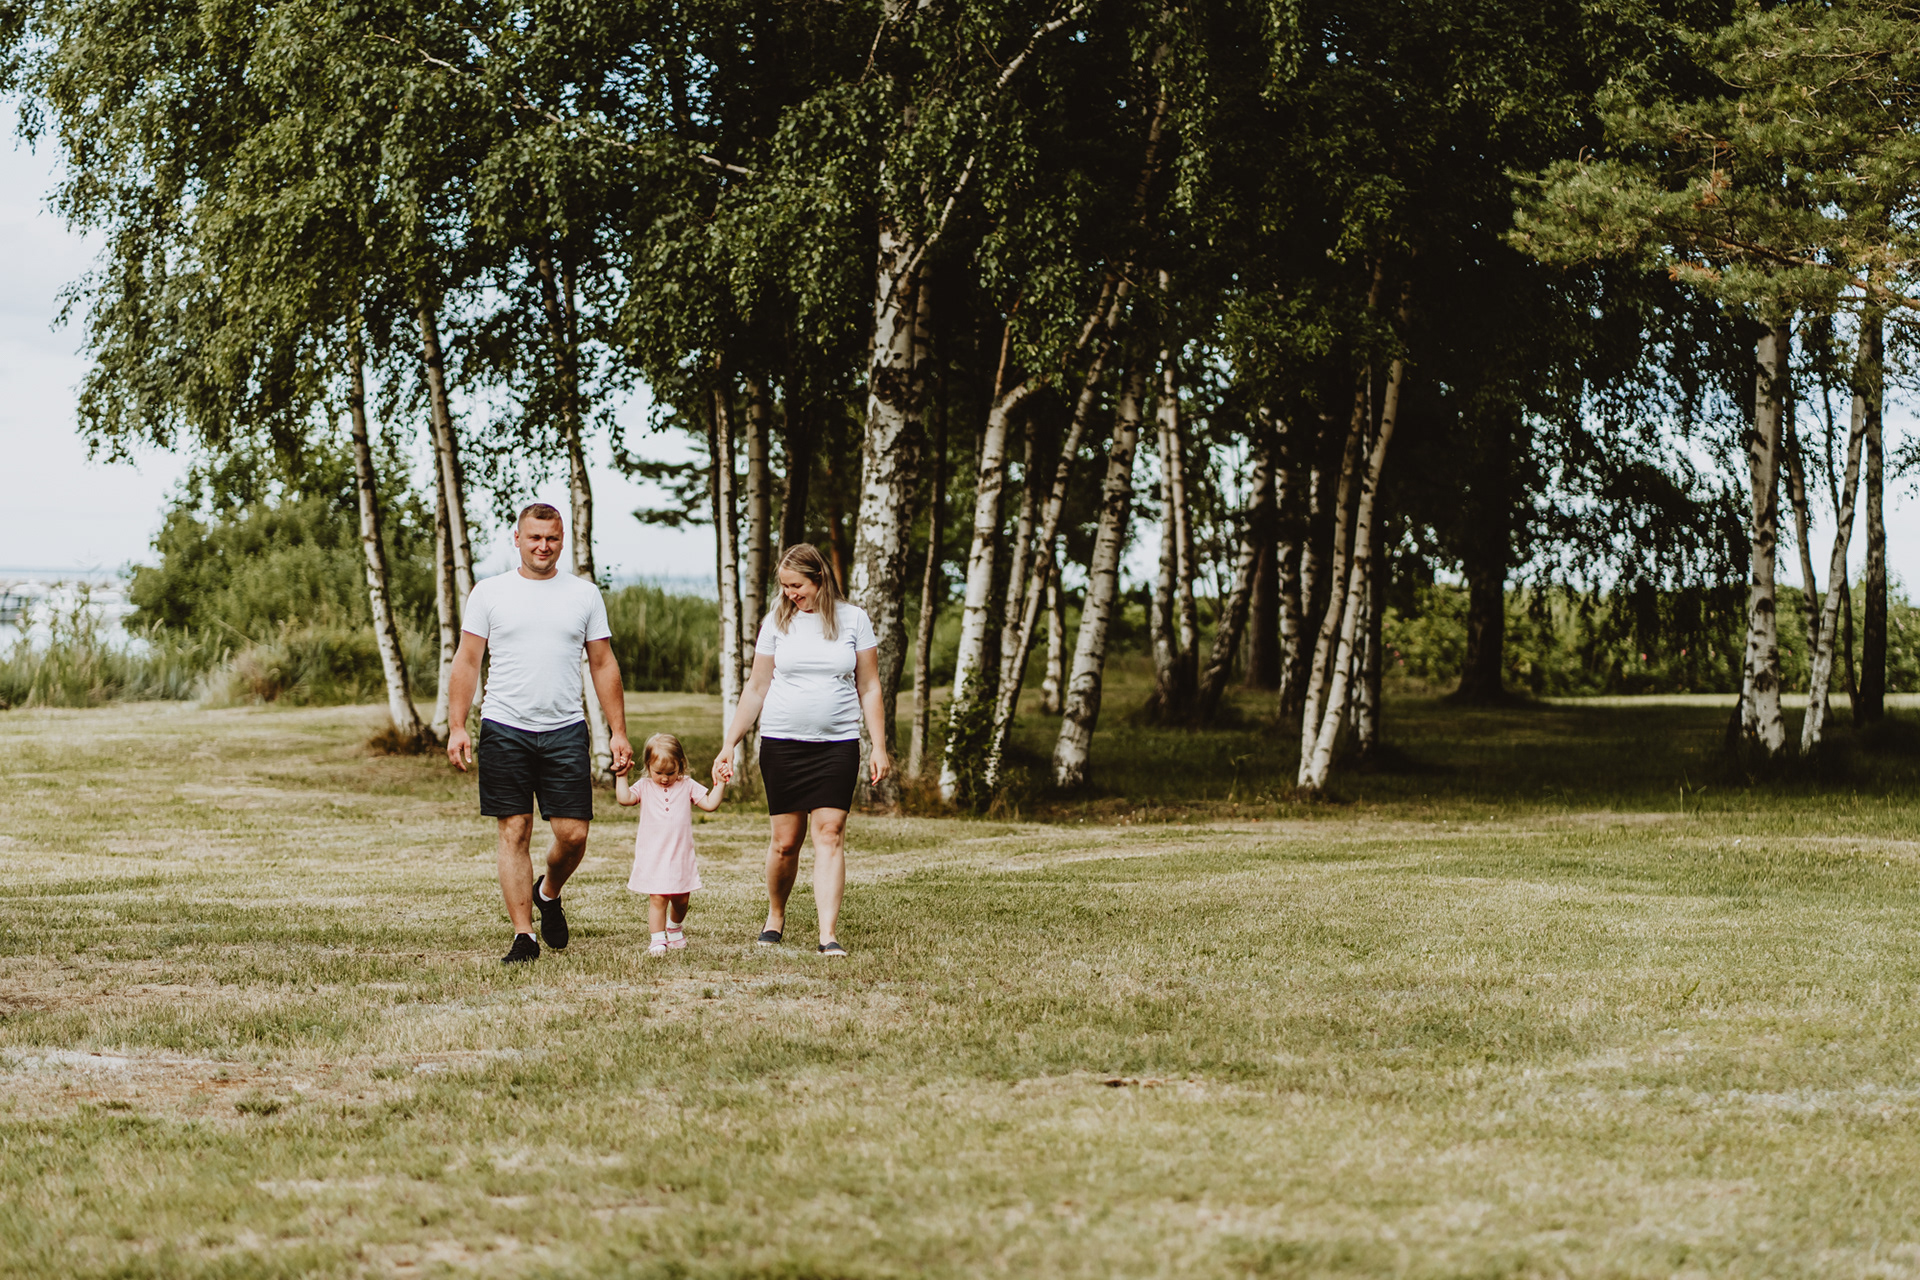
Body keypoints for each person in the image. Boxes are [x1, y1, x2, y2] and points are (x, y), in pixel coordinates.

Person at [446, 503, 633, 964]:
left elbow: (603, 663)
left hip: (564, 728)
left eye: (551, 538)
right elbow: (467, 660)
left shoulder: (584, 594)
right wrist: (456, 726)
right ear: (518, 539)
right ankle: (524, 936)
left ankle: (548, 892)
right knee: (515, 830)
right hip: (504, 726)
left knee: (574, 835)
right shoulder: (490, 592)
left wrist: (618, 732)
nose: (543, 546)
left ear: (562, 540)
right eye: (534, 537)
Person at [714, 543, 890, 958]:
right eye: (785, 586)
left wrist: (879, 746)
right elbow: (757, 687)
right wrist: (729, 743)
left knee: (830, 833)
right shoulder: (777, 621)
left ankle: (828, 934)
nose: (790, 593)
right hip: (782, 744)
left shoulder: (854, 619)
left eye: (797, 586)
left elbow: (869, 686)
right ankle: (775, 915)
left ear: (819, 579)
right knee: (785, 842)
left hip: (837, 745)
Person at [615, 732, 727, 957]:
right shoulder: (645, 786)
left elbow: (710, 804)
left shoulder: (687, 785)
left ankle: (674, 927)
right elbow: (625, 799)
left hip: (680, 854)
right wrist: (621, 776)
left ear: (681, 766)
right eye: (658, 773)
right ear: (648, 766)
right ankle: (657, 939)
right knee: (658, 897)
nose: (664, 779)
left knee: (681, 898)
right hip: (654, 854)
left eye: (670, 773)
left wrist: (721, 783)